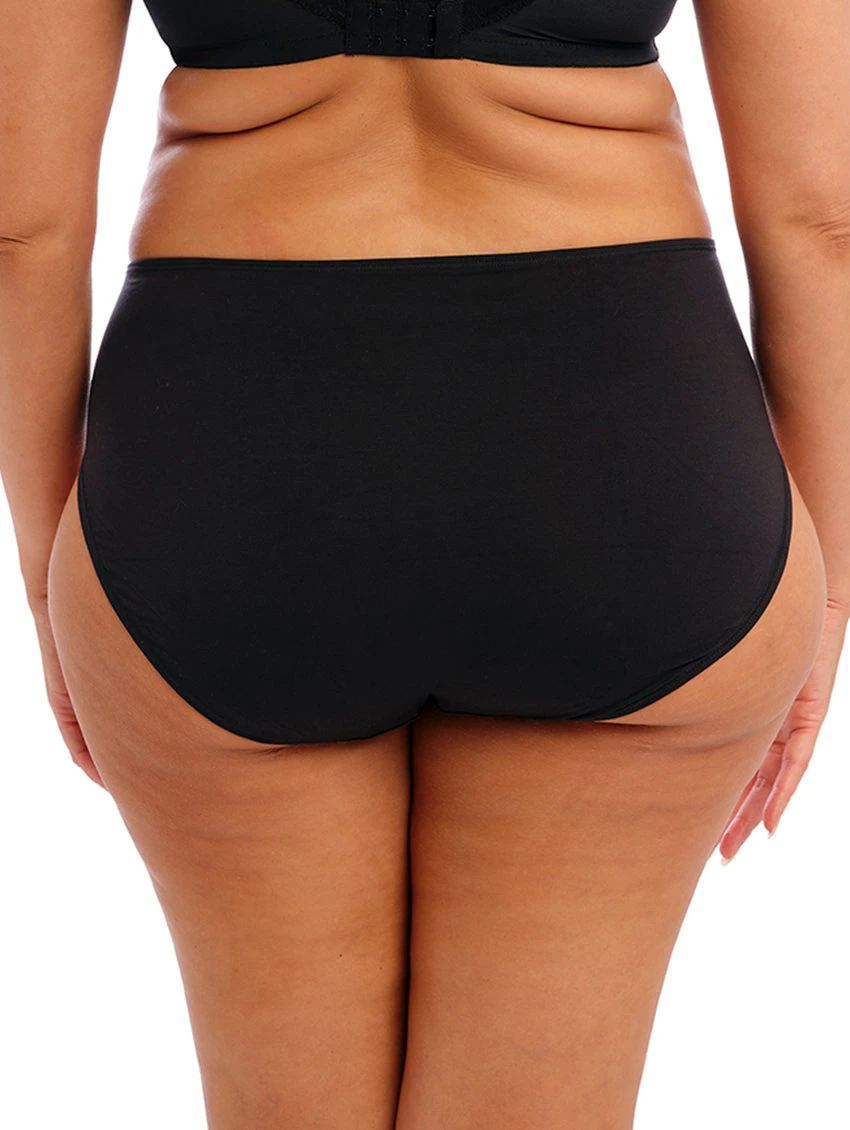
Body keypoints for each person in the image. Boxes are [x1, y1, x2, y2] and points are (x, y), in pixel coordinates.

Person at [0, 0, 847, 1126]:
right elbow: (820, 217)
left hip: (231, 458)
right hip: (625, 454)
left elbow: (21, 230)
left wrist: (47, 572)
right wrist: (829, 589)